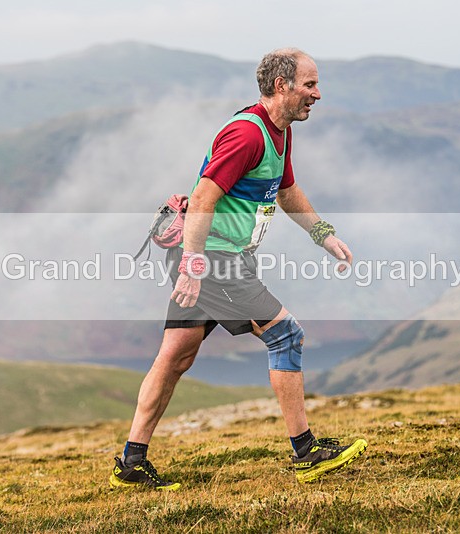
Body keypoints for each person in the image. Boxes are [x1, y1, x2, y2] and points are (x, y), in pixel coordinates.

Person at [110, 48, 367, 491]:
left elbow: (285, 190)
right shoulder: (247, 135)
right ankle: (306, 452)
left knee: (175, 357)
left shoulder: (279, 132)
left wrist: (322, 234)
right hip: (212, 259)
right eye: (310, 85)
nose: (317, 94)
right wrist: (193, 266)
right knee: (286, 334)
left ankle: (132, 462)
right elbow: (205, 199)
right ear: (282, 86)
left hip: (215, 257)